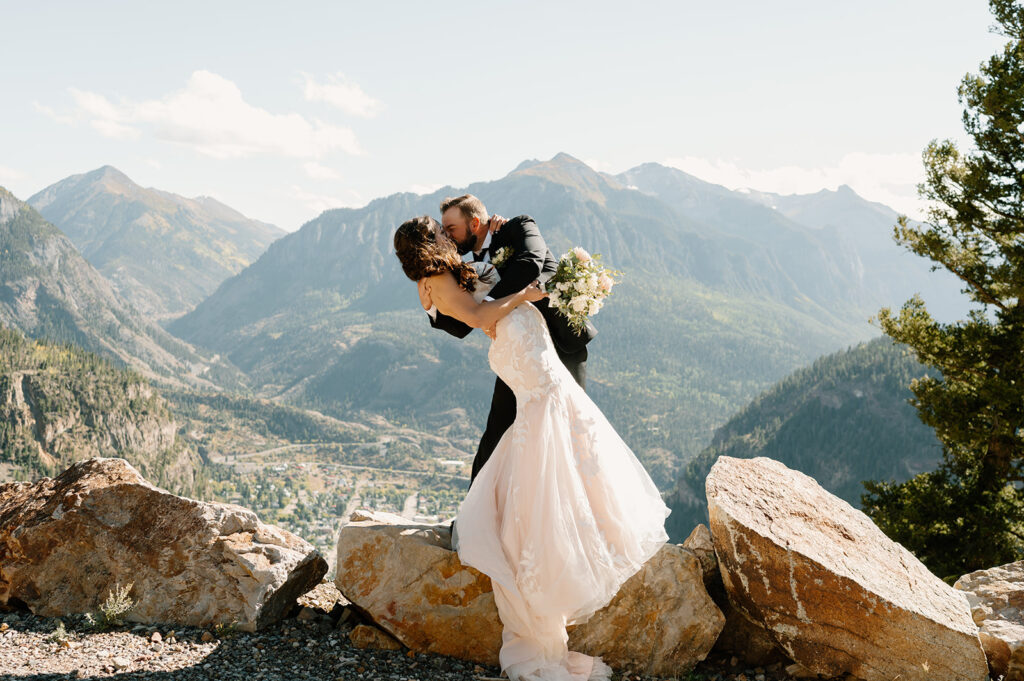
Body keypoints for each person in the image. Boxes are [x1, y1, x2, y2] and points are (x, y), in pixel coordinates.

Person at [394, 215, 671, 681]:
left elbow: (487, 288)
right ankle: (568, 540)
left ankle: (583, 522)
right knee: (549, 443)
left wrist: (518, 281)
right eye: (441, 233)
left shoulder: (446, 273)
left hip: (530, 348)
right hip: (525, 355)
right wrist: (528, 295)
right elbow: (479, 316)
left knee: (558, 440)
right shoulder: (435, 279)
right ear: (430, 243)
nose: (449, 236)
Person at [424, 194, 595, 490]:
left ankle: (581, 514)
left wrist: (488, 306)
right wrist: (431, 307)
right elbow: (464, 323)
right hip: (521, 354)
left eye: (451, 228)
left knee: (572, 430)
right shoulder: (466, 266)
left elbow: (530, 265)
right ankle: (472, 522)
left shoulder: (519, 227)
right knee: (496, 434)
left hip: (561, 343)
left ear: (475, 223)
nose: (447, 236)